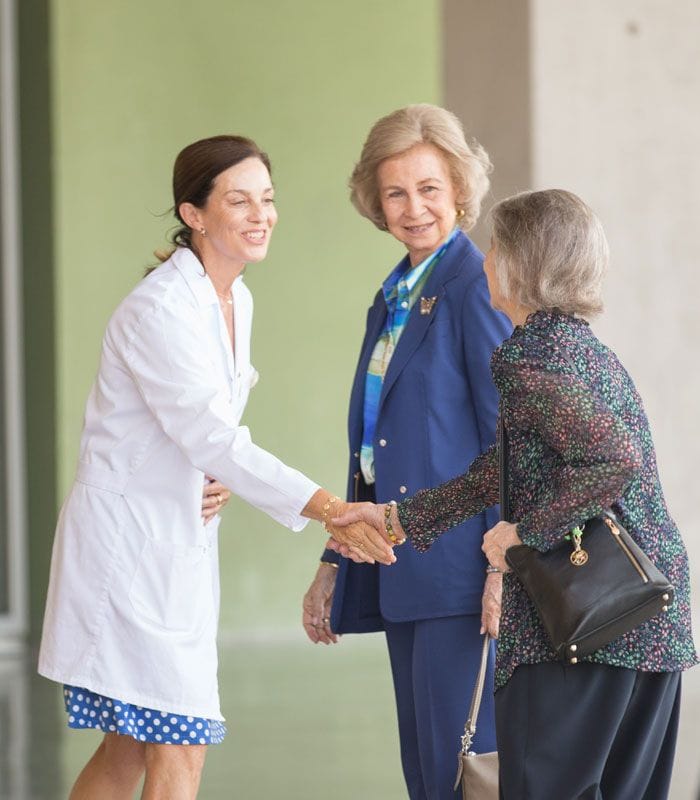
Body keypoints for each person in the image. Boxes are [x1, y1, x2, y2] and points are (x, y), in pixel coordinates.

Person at [37, 134, 396, 800]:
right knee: (181, 743)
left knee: (129, 749)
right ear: (194, 214)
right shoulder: (160, 311)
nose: (261, 214)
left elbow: (208, 433)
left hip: (173, 548)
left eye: (268, 198)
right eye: (239, 200)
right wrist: (328, 507)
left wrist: (219, 469)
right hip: (128, 553)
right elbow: (207, 433)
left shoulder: (236, 300)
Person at [334, 188, 698, 799]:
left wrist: (522, 534)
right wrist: (400, 516)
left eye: (496, 247)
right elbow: (501, 468)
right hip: (648, 610)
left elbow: (611, 461)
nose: (485, 260)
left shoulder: (533, 357)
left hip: (585, 620)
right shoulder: (580, 348)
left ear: (521, 264)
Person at [302, 104, 511, 799]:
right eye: (396, 192)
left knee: (464, 773)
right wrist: (337, 554)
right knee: (426, 774)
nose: (414, 207)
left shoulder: (472, 284)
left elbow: (507, 436)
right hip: (402, 568)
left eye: (429, 188)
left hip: (459, 574)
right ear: (375, 201)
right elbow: (373, 444)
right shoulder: (394, 294)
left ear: (458, 189)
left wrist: (502, 568)